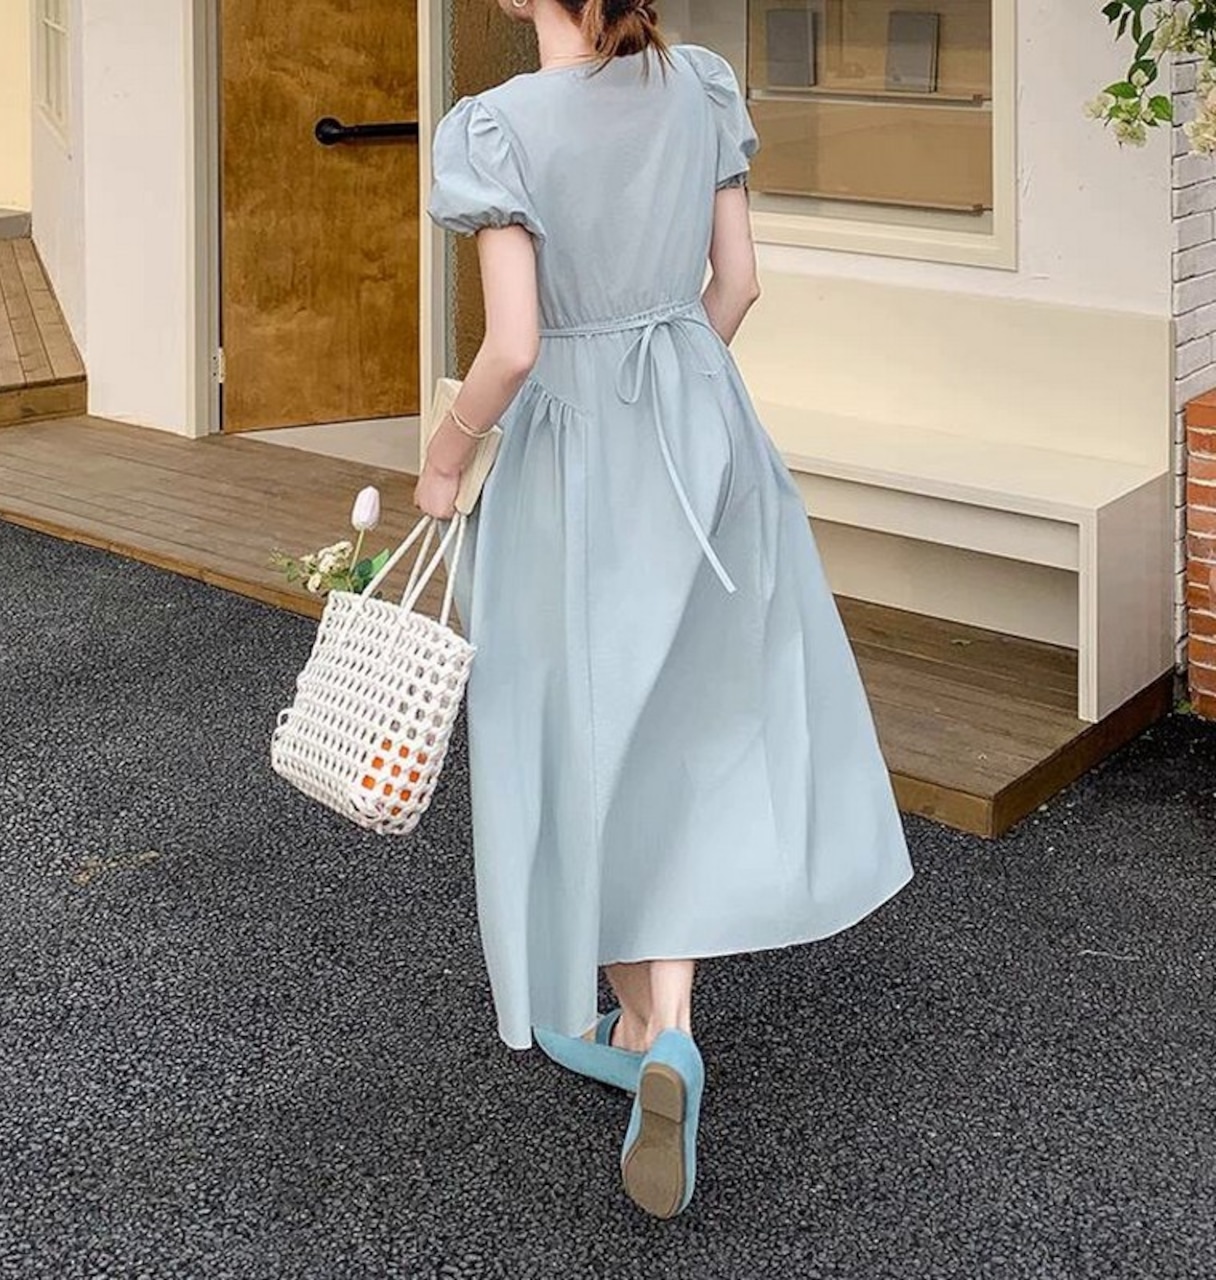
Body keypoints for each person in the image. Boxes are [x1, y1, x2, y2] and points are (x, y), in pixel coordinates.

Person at [414, 0, 913, 1221]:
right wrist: (680, 377)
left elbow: (514, 345)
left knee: (584, 723)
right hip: (705, 429)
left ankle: (648, 1025)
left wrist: (444, 452)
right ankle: (655, 1024)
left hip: (576, 450)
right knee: (679, 720)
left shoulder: (496, 127)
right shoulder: (700, 84)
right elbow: (736, 284)